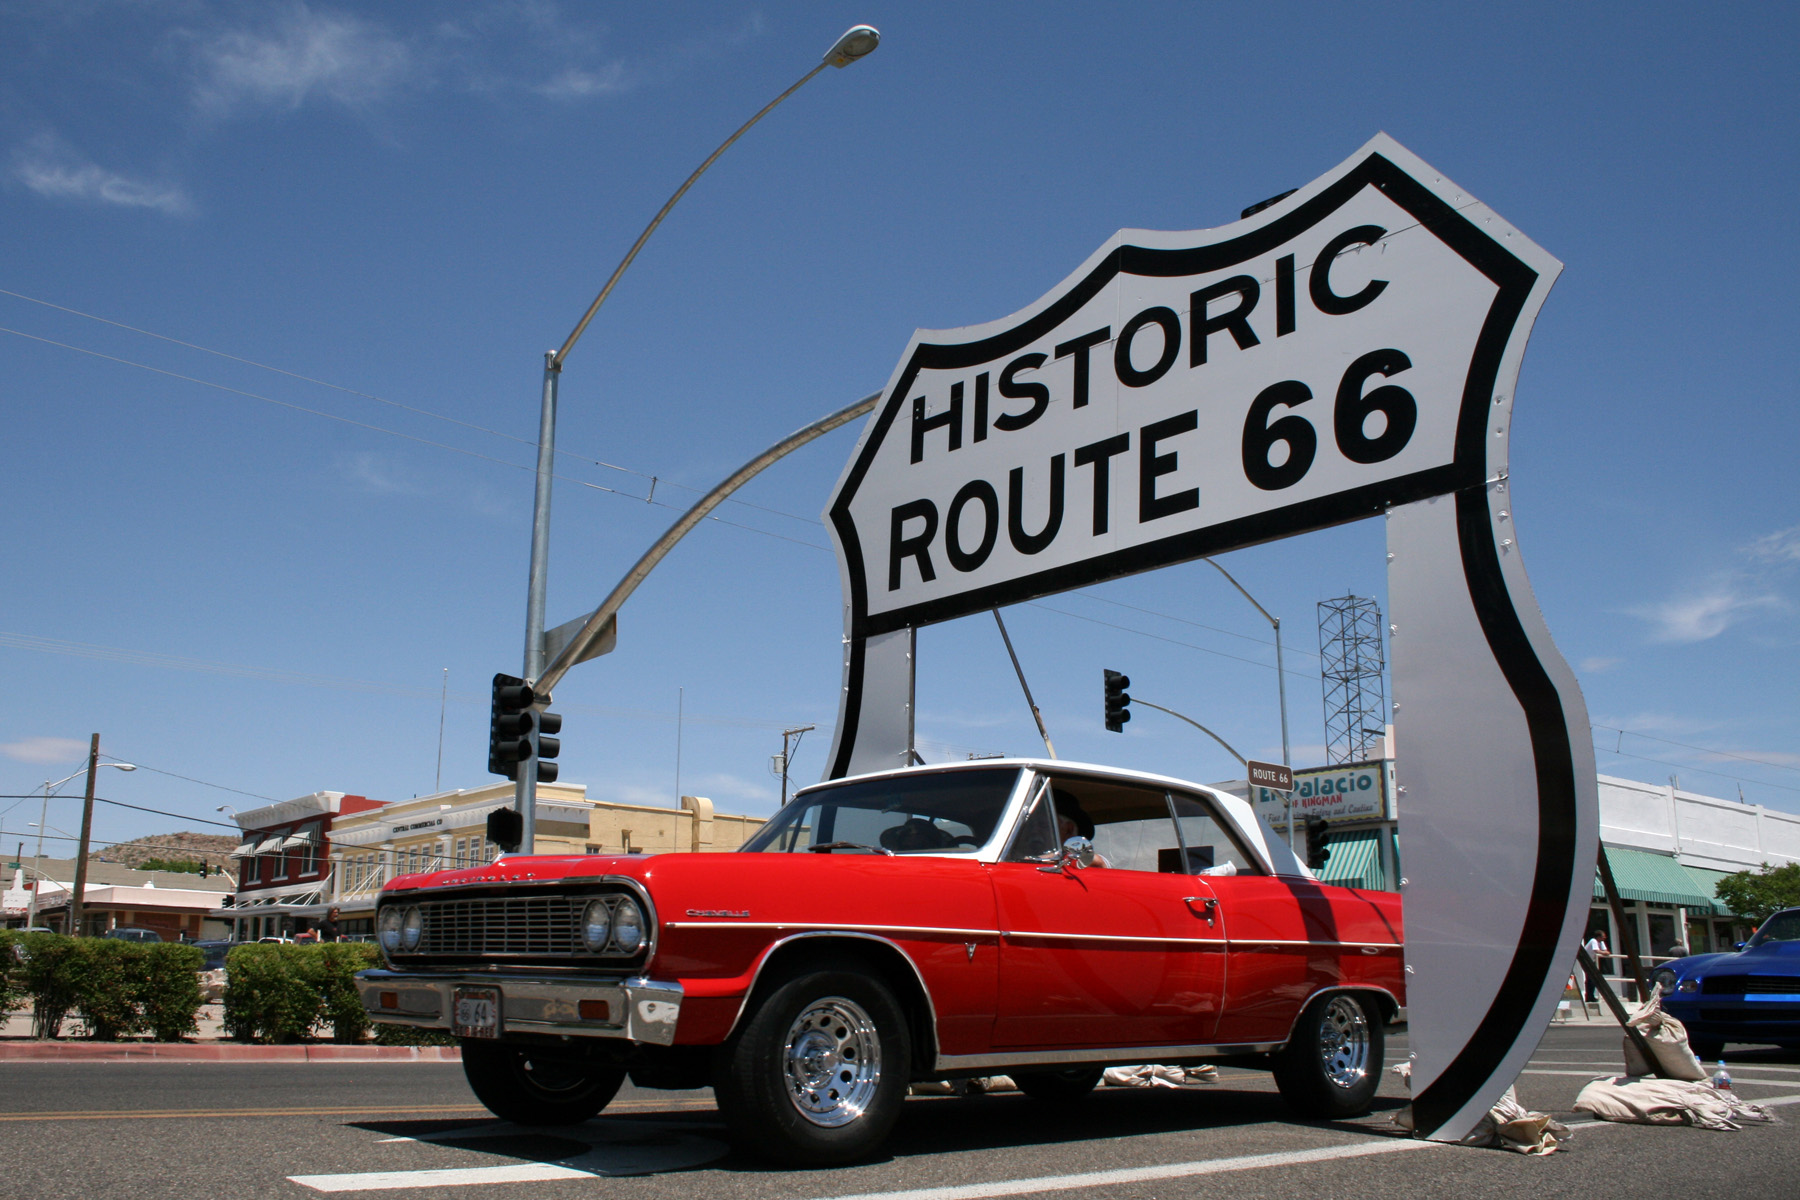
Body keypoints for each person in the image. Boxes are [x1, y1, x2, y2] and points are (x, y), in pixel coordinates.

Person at [1582, 929, 1610, 1002]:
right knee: (1590, 979)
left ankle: (1591, 996)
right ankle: (1589, 997)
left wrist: (1605, 952)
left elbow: (1605, 950)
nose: (1604, 938)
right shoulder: (1593, 941)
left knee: (1593, 979)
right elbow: (1596, 950)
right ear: (1598, 937)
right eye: (1603, 936)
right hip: (1586, 961)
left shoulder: (1601, 942)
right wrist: (1604, 953)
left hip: (1592, 961)